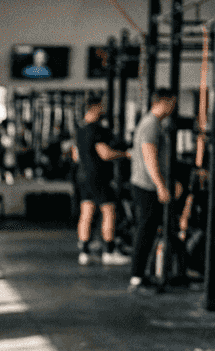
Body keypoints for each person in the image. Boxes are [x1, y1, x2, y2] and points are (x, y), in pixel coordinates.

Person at [71, 96, 130, 265]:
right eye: (101, 107)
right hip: (98, 176)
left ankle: (84, 252)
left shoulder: (79, 130)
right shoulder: (98, 130)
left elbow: (76, 156)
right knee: (109, 211)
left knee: (87, 212)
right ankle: (109, 252)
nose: (103, 110)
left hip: (82, 176)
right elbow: (105, 154)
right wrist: (125, 154)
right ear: (95, 108)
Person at [128, 89, 177, 291]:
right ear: (163, 102)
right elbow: (150, 158)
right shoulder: (151, 125)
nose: (174, 108)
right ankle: (137, 277)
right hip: (147, 186)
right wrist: (160, 185)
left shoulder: (153, 123)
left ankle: (141, 275)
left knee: (148, 231)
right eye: (172, 103)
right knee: (145, 231)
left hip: (147, 185)